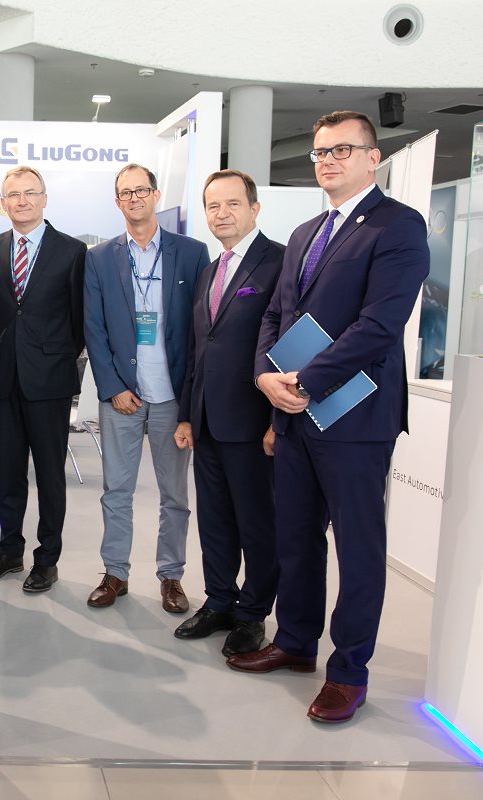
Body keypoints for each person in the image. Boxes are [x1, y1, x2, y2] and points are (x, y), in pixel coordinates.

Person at [228, 111, 429, 725]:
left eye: (343, 149)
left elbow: (380, 325)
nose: (329, 161)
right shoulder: (306, 232)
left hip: (355, 418)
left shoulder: (398, 225)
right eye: (320, 152)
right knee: (295, 537)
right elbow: (276, 316)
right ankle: (295, 642)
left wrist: (307, 382)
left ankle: (348, 672)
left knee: (359, 549)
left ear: (373, 157)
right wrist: (266, 376)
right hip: (293, 414)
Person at [84, 163, 210, 613]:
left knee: (174, 495)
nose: (134, 198)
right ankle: (115, 572)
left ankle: (171, 577)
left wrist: (189, 401)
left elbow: (200, 329)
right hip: (122, 396)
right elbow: (94, 328)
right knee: (116, 491)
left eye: (141, 190)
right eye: (125, 192)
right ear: (117, 201)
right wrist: (113, 386)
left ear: (156, 195)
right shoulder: (99, 257)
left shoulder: (192, 253)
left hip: (172, 396)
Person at [173, 169, 283, 657]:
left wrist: (278, 422)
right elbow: (198, 350)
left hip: (253, 423)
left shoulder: (279, 263)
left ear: (254, 208)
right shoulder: (209, 271)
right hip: (207, 422)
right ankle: (219, 600)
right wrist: (186, 415)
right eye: (213, 206)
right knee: (214, 520)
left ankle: (252, 613)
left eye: (232, 204)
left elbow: (289, 347)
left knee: (257, 525)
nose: (222, 214)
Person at [0, 166, 86, 594]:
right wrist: (11, 347)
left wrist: (49, 354)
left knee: (50, 476)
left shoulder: (72, 251)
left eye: (30, 193)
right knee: (7, 471)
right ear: (3, 203)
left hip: (50, 380)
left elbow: (79, 320)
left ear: (44, 199)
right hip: (3, 376)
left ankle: (47, 559)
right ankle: (9, 551)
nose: (21, 201)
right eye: (13, 195)